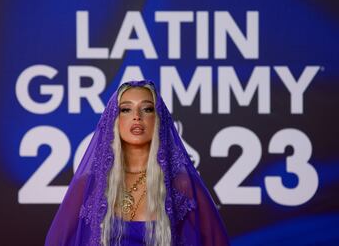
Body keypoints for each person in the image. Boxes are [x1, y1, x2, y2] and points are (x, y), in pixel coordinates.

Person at [45, 80, 229, 246]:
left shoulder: (181, 184)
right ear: (114, 121)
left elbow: (217, 241)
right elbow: (55, 241)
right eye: (126, 109)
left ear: (159, 119)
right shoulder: (89, 185)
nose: (137, 116)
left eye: (147, 108)